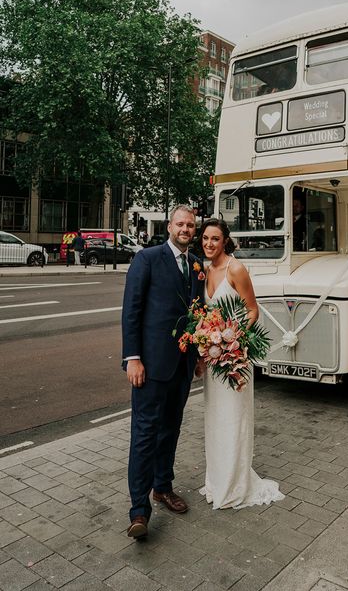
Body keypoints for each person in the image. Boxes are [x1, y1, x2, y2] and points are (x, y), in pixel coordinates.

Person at [121, 204, 205, 539]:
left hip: (182, 366)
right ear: (169, 226)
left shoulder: (196, 264)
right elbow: (132, 310)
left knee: (170, 430)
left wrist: (198, 356)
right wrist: (133, 358)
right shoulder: (147, 258)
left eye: (190, 225)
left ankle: (163, 487)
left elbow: (197, 315)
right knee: (144, 436)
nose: (185, 229)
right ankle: (139, 511)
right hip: (151, 366)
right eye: (180, 224)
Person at [198, 217, 284, 509]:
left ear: (225, 242)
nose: (209, 244)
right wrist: (207, 341)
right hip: (213, 361)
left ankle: (235, 484)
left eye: (215, 239)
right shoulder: (207, 270)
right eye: (206, 239)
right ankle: (218, 479)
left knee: (233, 420)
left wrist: (232, 339)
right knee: (216, 419)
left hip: (234, 358)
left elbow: (252, 310)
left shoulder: (236, 269)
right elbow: (204, 315)